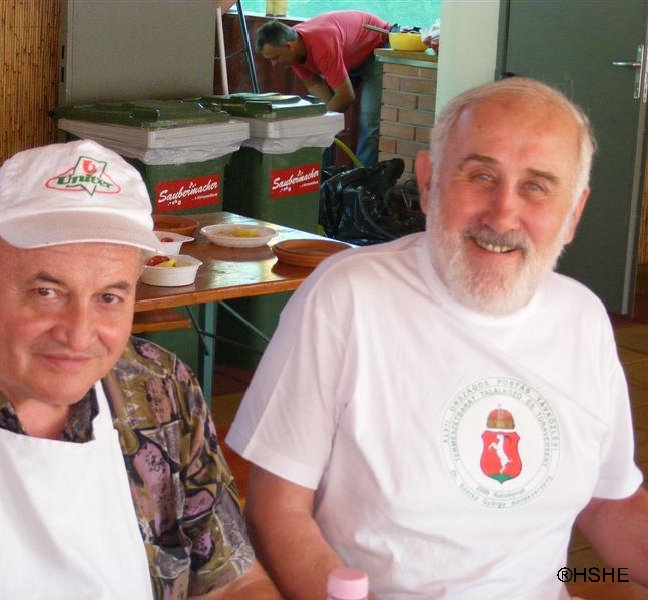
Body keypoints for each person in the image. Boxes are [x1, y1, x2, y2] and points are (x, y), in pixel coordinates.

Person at [226, 77, 648, 599]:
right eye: (481, 176)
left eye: (537, 186)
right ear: (428, 184)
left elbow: (608, 503)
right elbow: (276, 510)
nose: (502, 214)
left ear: (573, 214)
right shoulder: (349, 296)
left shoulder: (582, 318)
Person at [0, 139, 279, 599]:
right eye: (47, 293)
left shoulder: (161, 389)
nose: (78, 334)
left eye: (109, 297)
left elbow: (233, 583)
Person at [255, 11, 390, 168]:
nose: (273, 64)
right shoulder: (293, 48)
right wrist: (326, 121)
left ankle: (363, 179)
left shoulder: (321, 44)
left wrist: (324, 123)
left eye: (275, 58)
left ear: (289, 46)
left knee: (369, 122)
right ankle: (322, 175)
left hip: (374, 47)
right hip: (347, 55)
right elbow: (314, 83)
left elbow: (346, 96)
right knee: (324, 123)